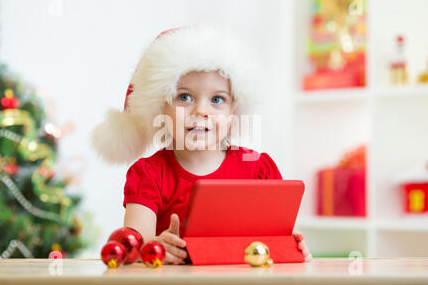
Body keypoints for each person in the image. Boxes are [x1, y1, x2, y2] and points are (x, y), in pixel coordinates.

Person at [92, 25, 311, 264]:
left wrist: (296, 247)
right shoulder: (149, 174)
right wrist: (156, 247)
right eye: (184, 97)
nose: (201, 111)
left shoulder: (258, 169)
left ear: (234, 112)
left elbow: (280, 239)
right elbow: (133, 249)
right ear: (159, 106)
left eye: (217, 99)